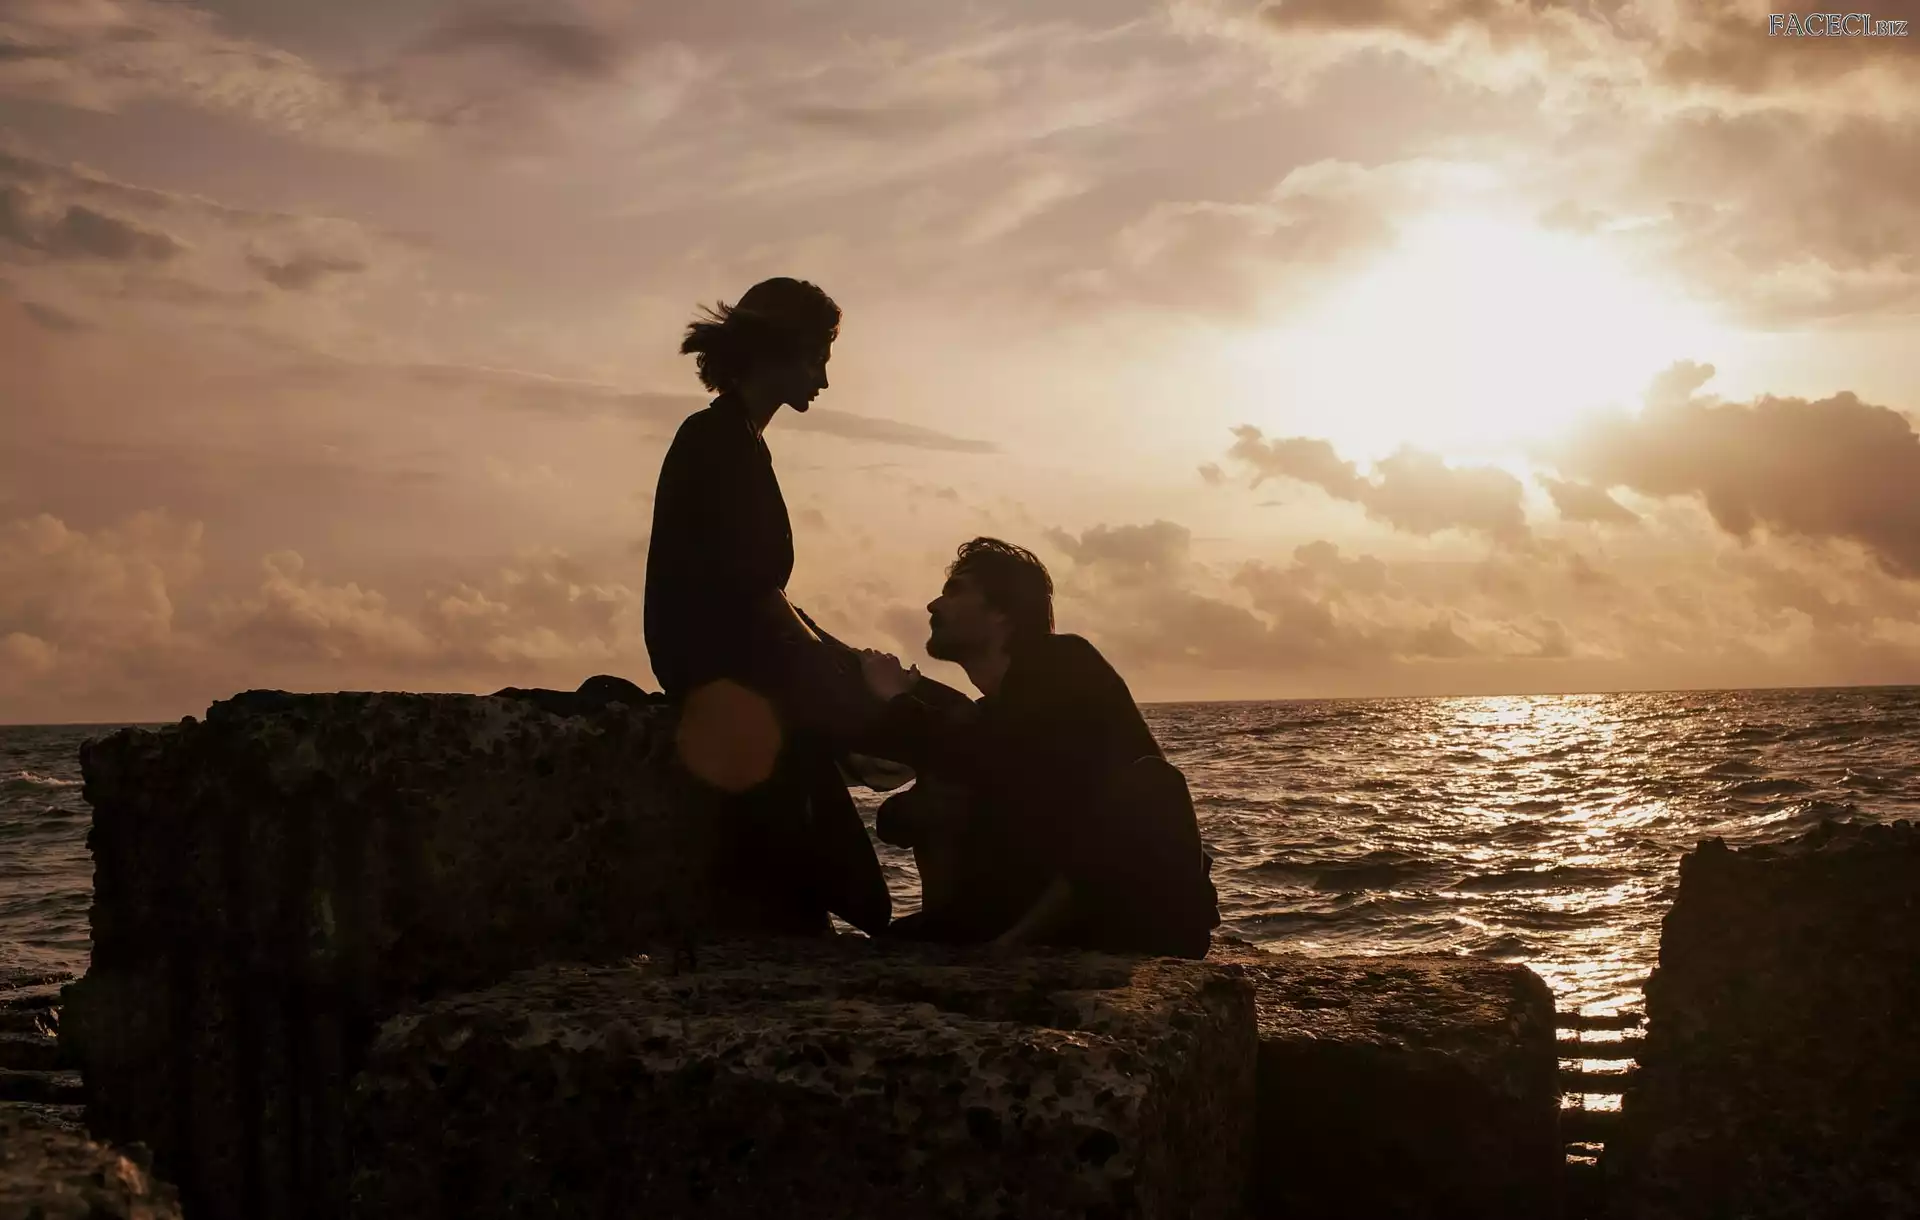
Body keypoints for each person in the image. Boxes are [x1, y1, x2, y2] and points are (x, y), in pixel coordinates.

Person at [643, 277, 890, 938]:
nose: (824, 380)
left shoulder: (736, 439)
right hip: (729, 681)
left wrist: (838, 657)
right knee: (857, 897)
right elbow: (752, 593)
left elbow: (764, 593)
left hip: (744, 677)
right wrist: (835, 674)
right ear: (779, 353)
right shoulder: (716, 440)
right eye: (818, 360)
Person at [858, 538, 1219, 957]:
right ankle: (956, 930)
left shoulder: (1065, 663)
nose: (933, 605)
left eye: (954, 591)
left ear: (1002, 611)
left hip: (1136, 915)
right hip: (1045, 900)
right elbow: (966, 769)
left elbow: (1000, 757)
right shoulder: (992, 713)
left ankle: (1005, 944)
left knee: (1154, 781)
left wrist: (896, 700)